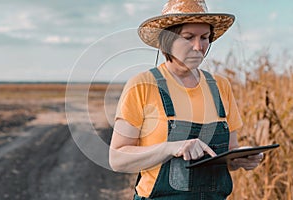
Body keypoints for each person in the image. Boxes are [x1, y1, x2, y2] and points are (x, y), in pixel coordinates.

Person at [109, 0, 263, 199]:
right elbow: (117, 159)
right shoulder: (142, 86)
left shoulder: (220, 87)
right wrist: (171, 147)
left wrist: (240, 158)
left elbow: (228, 154)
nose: (198, 47)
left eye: (205, 37)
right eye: (188, 37)